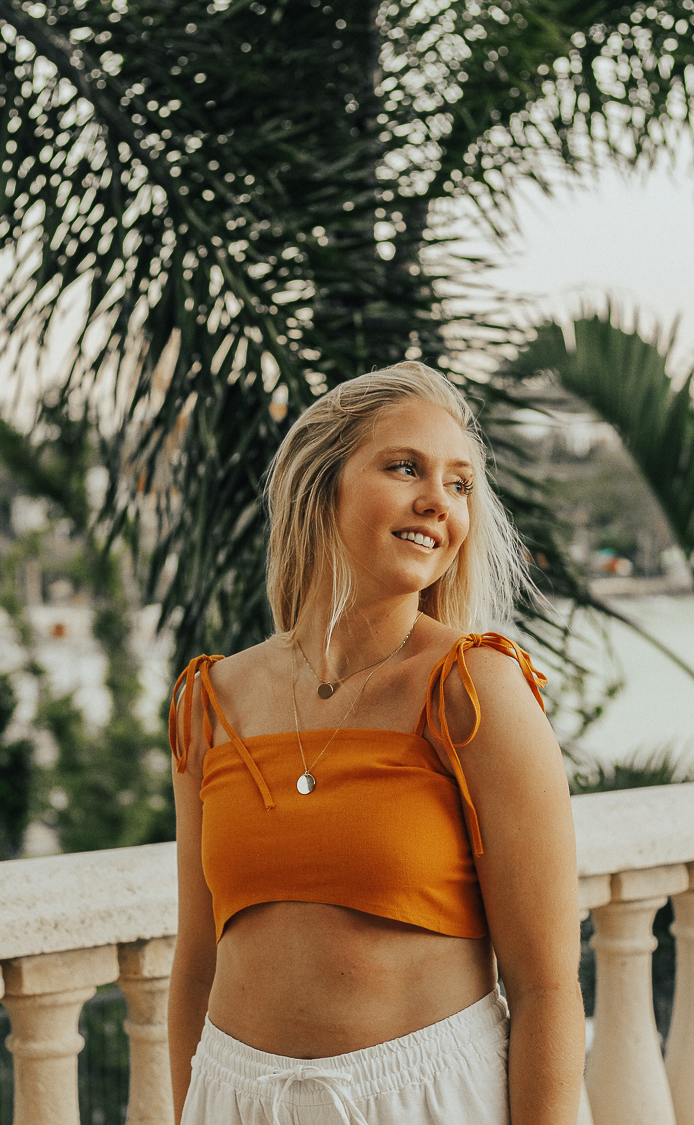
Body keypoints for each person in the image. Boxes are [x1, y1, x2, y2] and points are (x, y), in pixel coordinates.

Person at [167, 361, 585, 1125]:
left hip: (421, 1099)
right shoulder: (211, 703)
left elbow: (546, 987)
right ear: (323, 484)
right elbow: (196, 965)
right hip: (231, 1097)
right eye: (406, 467)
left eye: (460, 484)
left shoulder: (475, 687)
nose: (439, 501)